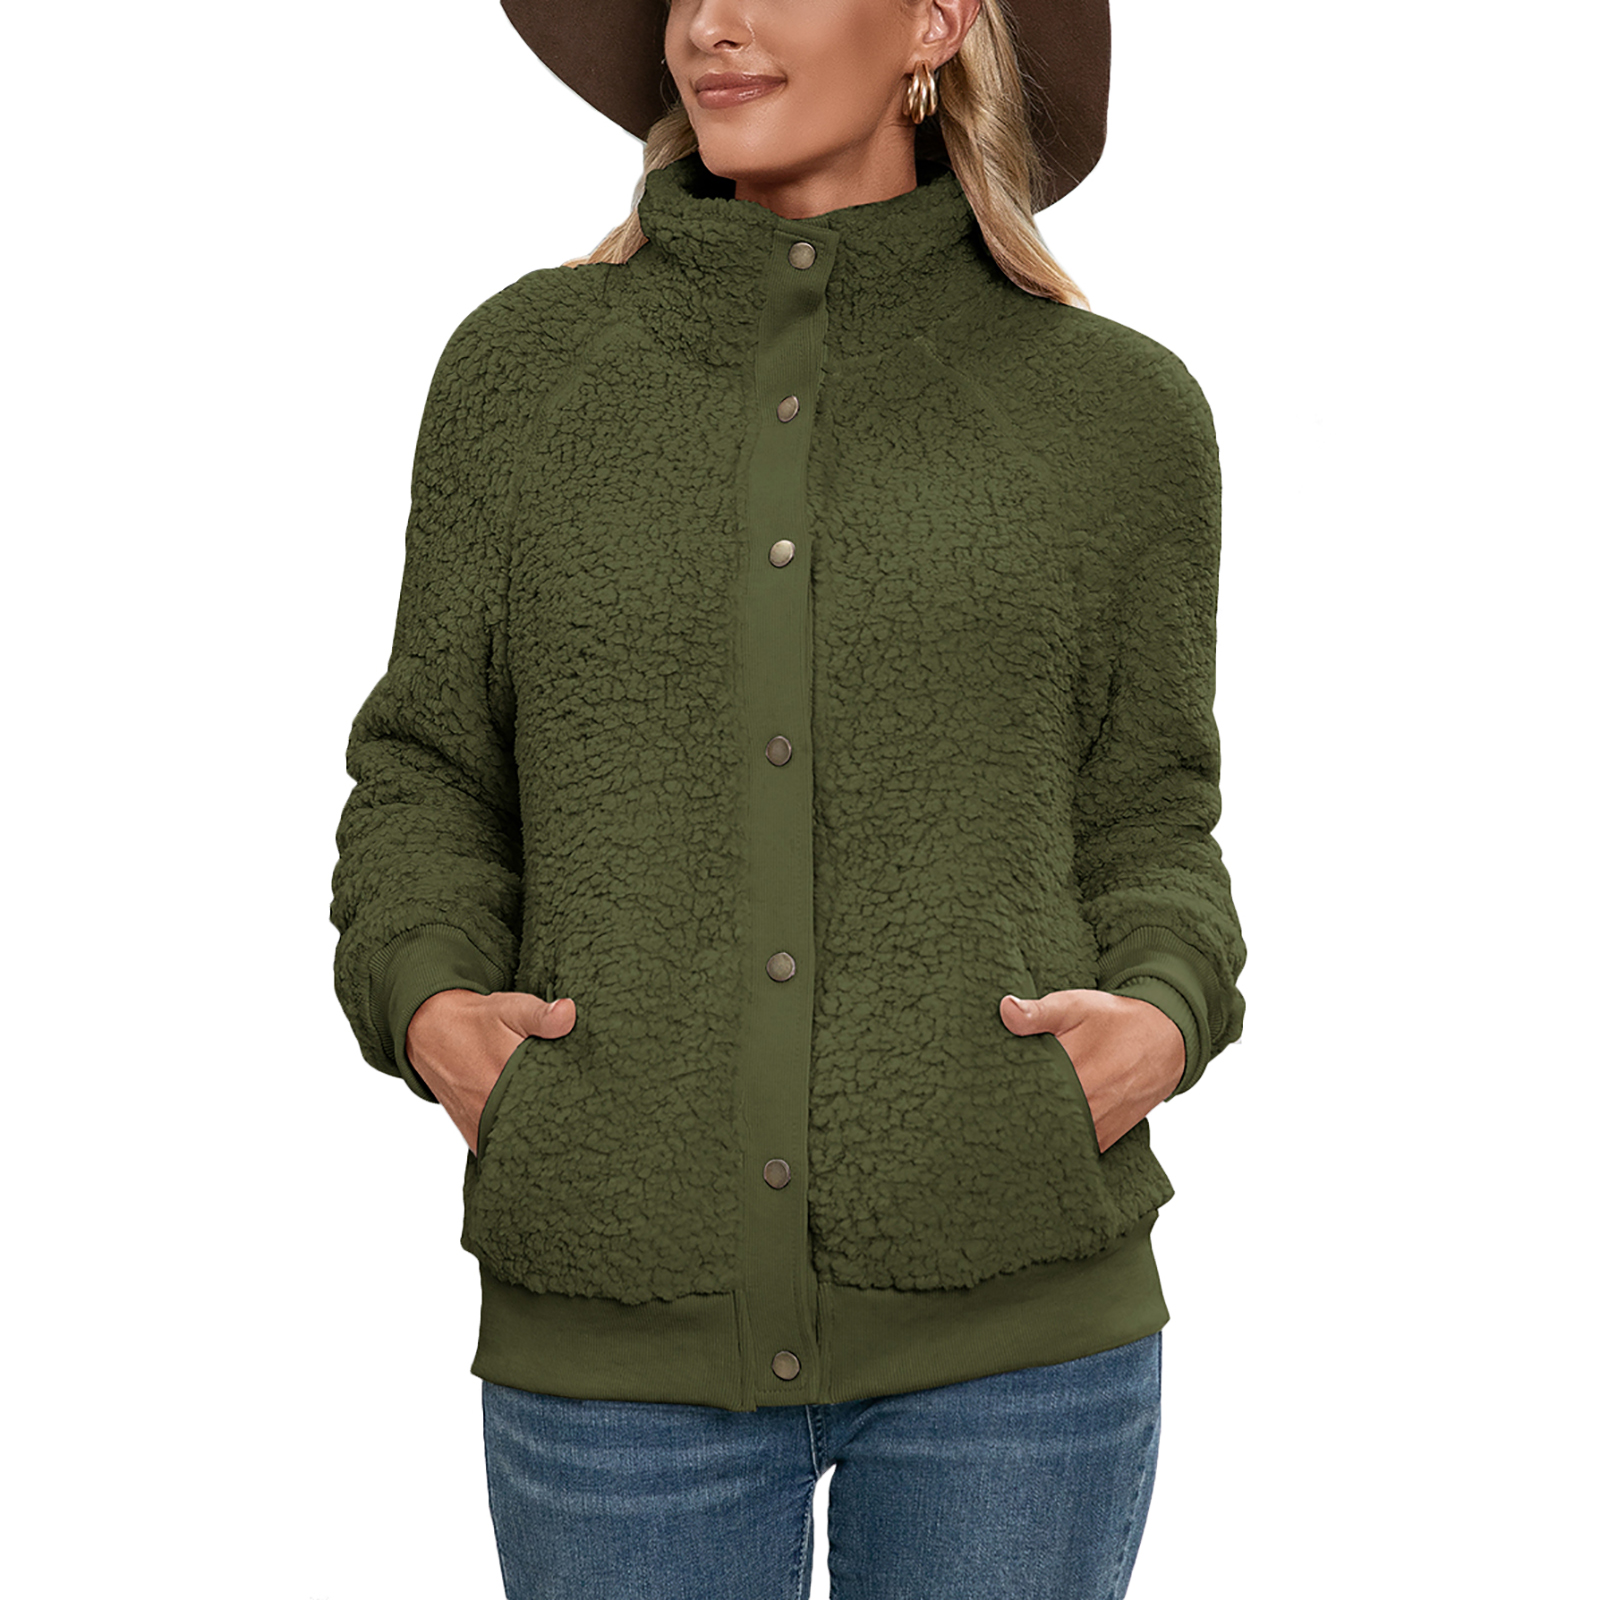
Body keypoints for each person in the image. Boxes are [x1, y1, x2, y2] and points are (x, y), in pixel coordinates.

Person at [329, 1, 1247, 1594]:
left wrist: (1164, 1013)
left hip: (1016, 1332)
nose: (711, 23)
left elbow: (1152, 817)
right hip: (614, 1307)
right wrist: (432, 1009)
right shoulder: (523, 375)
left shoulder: (1115, 410)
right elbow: (428, 771)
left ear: (935, 21)